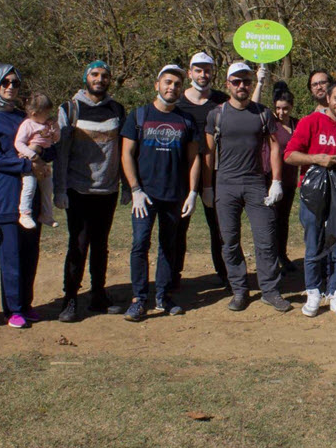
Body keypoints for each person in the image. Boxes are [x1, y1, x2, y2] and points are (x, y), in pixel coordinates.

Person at [203, 62, 290, 313]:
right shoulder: (216, 114)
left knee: (265, 239)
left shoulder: (263, 113)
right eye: (236, 82)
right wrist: (207, 187)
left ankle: (270, 290)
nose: (242, 86)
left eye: (246, 82)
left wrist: (276, 181)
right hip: (226, 184)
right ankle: (240, 290)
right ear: (227, 84)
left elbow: (274, 146)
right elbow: (208, 153)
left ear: (252, 84)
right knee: (229, 241)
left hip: (255, 183)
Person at [120, 65, 202, 321]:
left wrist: (192, 193)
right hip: (145, 196)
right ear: (157, 85)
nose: (172, 88)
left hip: (174, 195)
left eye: (177, 84)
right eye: (167, 82)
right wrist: (135, 189)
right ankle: (139, 299)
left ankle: (163, 296)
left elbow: (194, 159)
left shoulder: (186, 120)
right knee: (140, 244)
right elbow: (127, 154)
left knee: (169, 247)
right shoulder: (139, 115)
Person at [53, 60, 127, 321]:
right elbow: (61, 154)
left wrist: (128, 187)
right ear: (86, 77)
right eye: (94, 74)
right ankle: (70, 299)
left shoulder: (117, 110)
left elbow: (124, 152)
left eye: (105, 75)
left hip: (107, 190)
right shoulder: (70, 109)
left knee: (101, 244)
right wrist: (59, 190)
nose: (99, 79)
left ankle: (98, 295)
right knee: (79, 244)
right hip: (77, 190)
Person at [0, 64, 49, 329]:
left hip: (32, 196)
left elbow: (43, 144)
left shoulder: (25, 117)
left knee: (30, 253)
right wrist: (28, 164)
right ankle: (13, 309)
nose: (10, 87)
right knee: (11, 255)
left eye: (15, 83)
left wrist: (45, 151)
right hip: (7, 195)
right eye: (5, 82)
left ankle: (27, 304)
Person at [284, 80, 336, 320]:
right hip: (313, 194)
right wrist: (318, 159)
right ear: (328, 98)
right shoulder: (310, 122)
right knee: (314, 243)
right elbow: (289, 156)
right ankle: (314, 291)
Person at [176, 52, 231, 293]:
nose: (203, 74)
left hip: (216, 172)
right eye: (198, 70)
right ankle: (173, 276)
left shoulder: (221, 101)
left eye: (207, 70)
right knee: (178, 227)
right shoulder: (176, 101)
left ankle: (227, 274)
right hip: (181, 173)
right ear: (189, 73)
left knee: (220, 227)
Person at [13, 93, 60, 230]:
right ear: (34, 113)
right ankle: (25, 213)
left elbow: (56, 140)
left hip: (44, 160)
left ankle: (46, 215)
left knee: (48, 187)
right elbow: (19, 143)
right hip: (30, 162)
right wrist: (32, 156)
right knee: (29, 186)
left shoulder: (47, 125)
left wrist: (55, 130)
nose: (48, 116)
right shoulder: (28, 125)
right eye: (46, 113)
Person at [268, 82, 300, 272]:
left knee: (283, 219)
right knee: (270, 219)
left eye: (285, 108)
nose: (281, 112)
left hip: (290, 180)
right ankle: (270, 257)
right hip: (272, 179)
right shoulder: (271, 124)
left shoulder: (297, 124)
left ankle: (282, 254)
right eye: (278, 108)